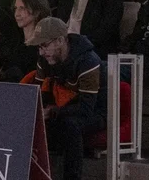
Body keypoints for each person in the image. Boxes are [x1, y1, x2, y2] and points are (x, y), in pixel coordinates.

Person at [21, 16, 106, 180]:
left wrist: (51, 112)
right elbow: (38, 95)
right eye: (39, 47)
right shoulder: (44, 60)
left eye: (45, 45)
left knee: (70, 125)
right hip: (61, 109)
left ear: (60, 40)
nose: (41, 52)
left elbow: (86, 109)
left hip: (95, 112)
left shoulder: (88, 62)